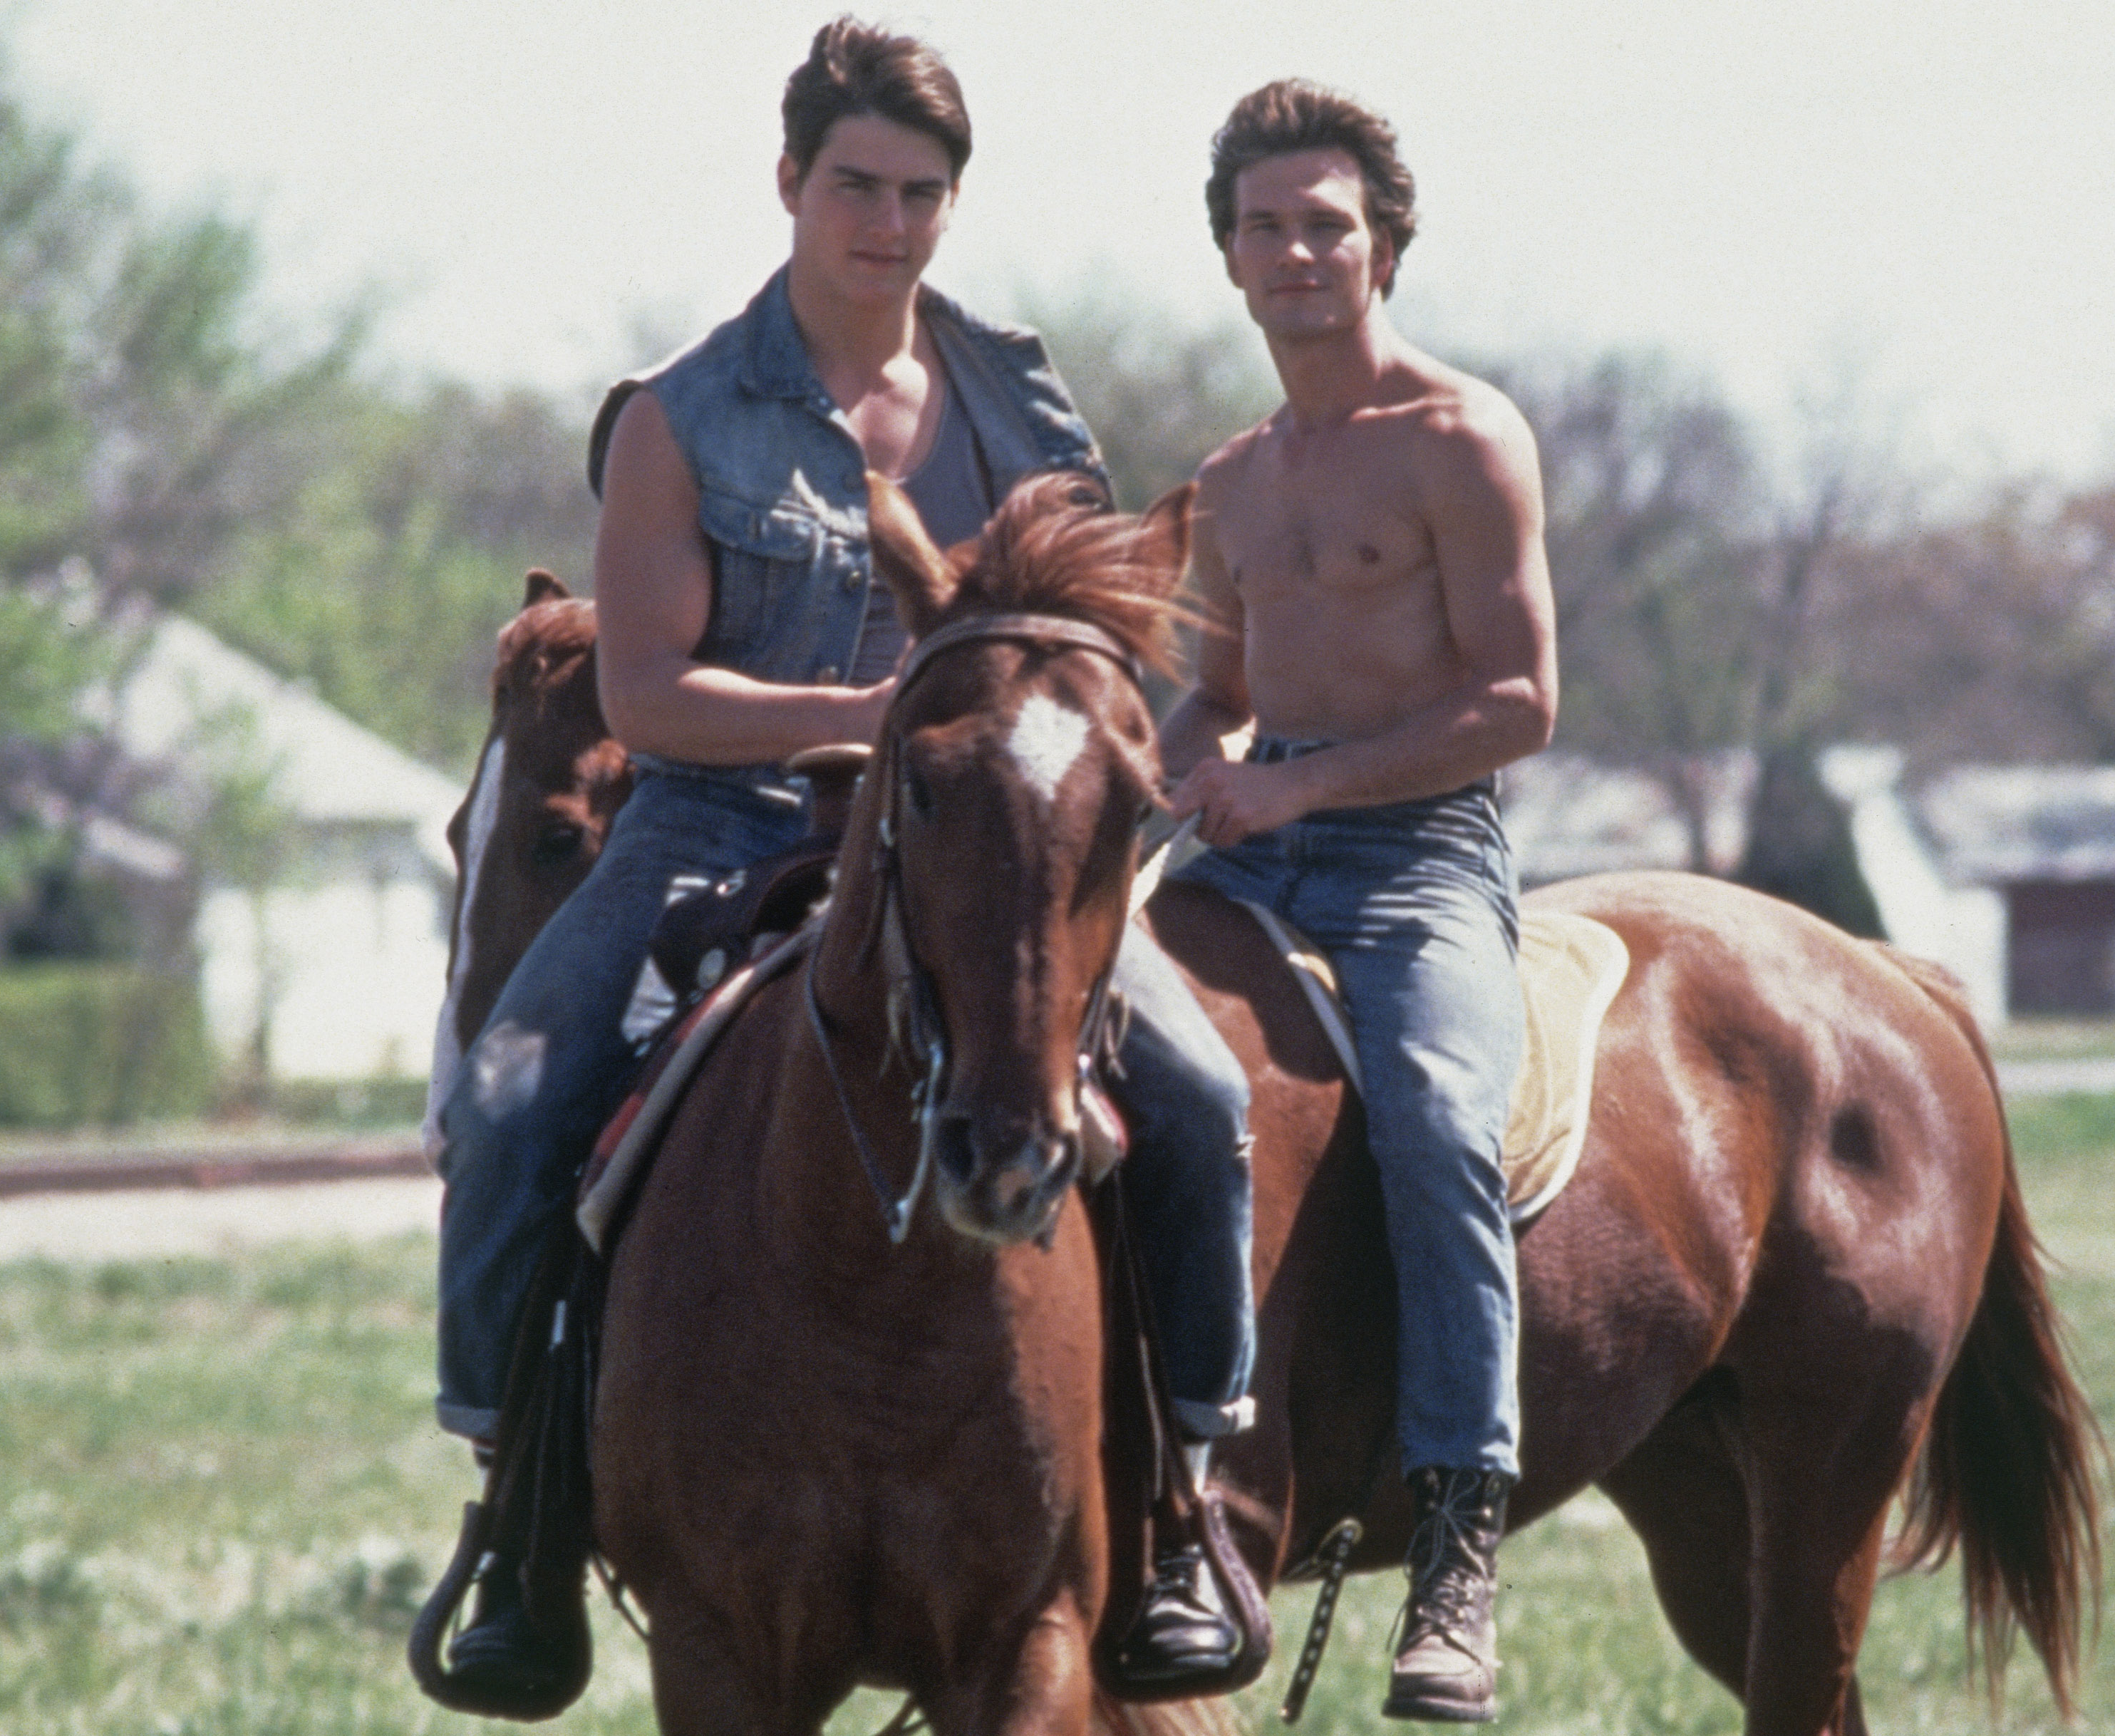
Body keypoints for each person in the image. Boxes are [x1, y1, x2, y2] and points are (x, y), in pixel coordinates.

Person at [427, 18, 1260, 1708]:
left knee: (1201, 1098)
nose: (889, 224)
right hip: (713, 824)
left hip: (989, 841)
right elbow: (651, 690)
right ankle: (518, 1519)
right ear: (791, 181)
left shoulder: (1016, 388)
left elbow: (1083, 626)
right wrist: (874, 712)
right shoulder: (681, 416)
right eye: (858, 187)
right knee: (517, 1089)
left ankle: (1186, 1504)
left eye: (923, 194)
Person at [1161, 80, 1558, 1724]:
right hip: (1247, 845)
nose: (1297, 252)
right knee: (1104, 1086)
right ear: (1231, 259)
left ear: (1382, 245)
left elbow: (1522, 701)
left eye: (1326, 223)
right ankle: (1175, 1497)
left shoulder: (1463, 437)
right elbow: (1214, 695)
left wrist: (1302, 784)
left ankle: (1460, 1543)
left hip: (1418, 851)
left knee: (1443, 1123)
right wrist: (1147, 772)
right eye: (1266, 227)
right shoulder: (1232, 480)